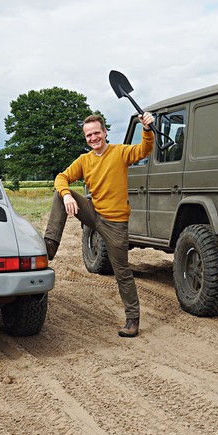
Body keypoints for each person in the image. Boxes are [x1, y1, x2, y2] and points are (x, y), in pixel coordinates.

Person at [44, 112, 154, 337]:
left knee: (121, 271)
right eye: (88, 135)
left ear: (105, 132)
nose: (93, 138)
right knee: (59, 194)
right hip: (94, 213)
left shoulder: (120, 152)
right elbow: (61, 177)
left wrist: (147, 129)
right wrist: (66, 195)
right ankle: (50, 245)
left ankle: (132, 320)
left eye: (96, 133)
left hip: (115, 223)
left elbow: (144, 149)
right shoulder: (84, 160)